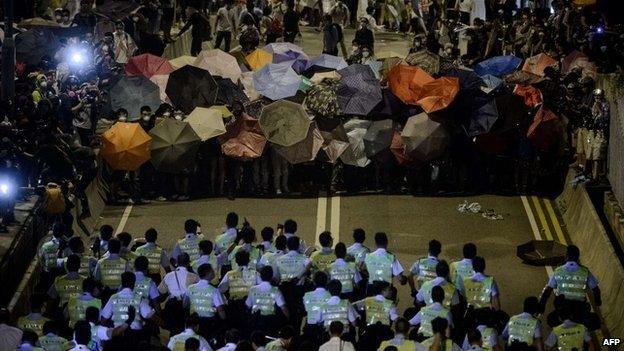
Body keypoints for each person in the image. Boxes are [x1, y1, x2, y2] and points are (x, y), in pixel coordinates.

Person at [101, 272, 156, 344]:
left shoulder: (113, 297)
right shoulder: (139, 299)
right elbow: (150, 315)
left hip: (117, 336)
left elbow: (103, 319)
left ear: (122, 283)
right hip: (135, 337)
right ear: (134, 283)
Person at [160, 253, 200, 335]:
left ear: (177, 262)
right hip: (186, 309)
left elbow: (160, 292)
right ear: (189, 263)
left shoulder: (168, 276)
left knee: (174, 332)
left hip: (172, 308)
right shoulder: (194, 277)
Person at [185, 263, 227, 338]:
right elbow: (220, 310)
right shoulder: (214, 290)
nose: (214, 272)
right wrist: (225, 321)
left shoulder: (190, 288)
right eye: (212, 271)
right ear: (209, 273)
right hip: (209, 324)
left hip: (194, 322)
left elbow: (185, 304)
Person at [246, 266, 289, 334]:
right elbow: (283, 308)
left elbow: (248, 305)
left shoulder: (252, 289)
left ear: (260, 275)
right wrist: (288, 319)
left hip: (256, 321)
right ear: (271, 276)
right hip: (270, 322)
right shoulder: (275, 290)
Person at [303, 271, 331, 347]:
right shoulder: (331, 295)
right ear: (326, 282)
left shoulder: (306, 295)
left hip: (311, 327)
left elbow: (306, 309)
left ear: (314, 282)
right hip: (326, 328)